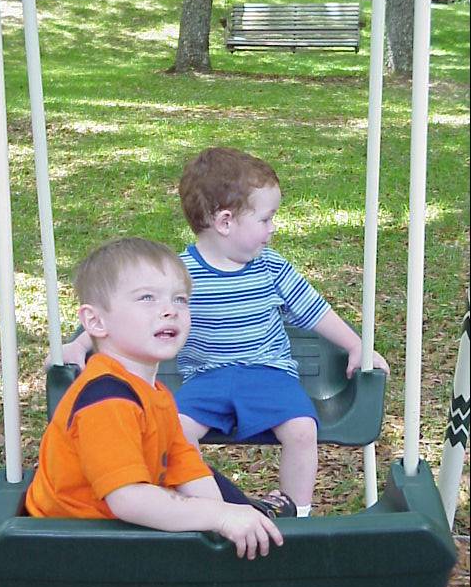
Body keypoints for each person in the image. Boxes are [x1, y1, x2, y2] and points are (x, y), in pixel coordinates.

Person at [57, 148, 390, 518]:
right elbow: (126, 315)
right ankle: (202, 510)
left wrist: (356, 345)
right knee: (175, 432)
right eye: (265, 219)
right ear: (226, 222)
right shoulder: (181, 273)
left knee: (301, 430)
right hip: (207, 377)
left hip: (269, 373)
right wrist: (81, 343)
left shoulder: (271, 267)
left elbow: (314, 310)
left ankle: (297, 513)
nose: (272, 229)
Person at [27, 237, 285, 560]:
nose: (169, 311)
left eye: (180, 299)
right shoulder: (106, 400)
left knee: (225, 499)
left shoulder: (153, 393)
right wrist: (220, 516)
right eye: (147, 298)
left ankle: (259, 518)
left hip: (115, 533)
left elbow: (185, 466)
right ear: (96, 321)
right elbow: (128, 499)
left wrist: (228, 515)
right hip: (71, 547)